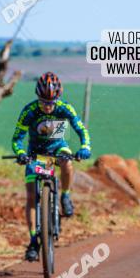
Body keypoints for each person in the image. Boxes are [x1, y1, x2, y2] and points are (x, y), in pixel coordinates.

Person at [11, 72, 91, 261]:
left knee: (67, 162)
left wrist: (85, 147)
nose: (47, 107)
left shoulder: (64, 109)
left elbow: (81, 130)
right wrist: (21, 153)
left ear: (57, 99)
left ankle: (65, 196)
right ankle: (33, 240)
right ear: (37, 98)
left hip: (57, 149)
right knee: (31, 196)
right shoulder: (29, 111)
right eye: (43, 102)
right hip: (35, 154)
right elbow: (17, 139)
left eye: (51, 102)